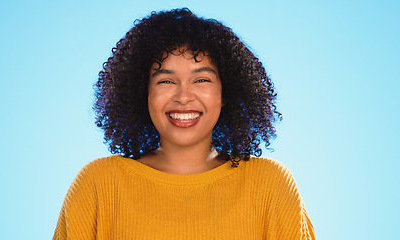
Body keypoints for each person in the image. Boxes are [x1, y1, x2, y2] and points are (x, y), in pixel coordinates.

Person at [53, 8, 315, 239]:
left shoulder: (270, 185)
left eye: (201, 80)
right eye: (166, 81)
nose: (183, 96)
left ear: (226, 94)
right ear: (142, 94)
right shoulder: (98, 185)